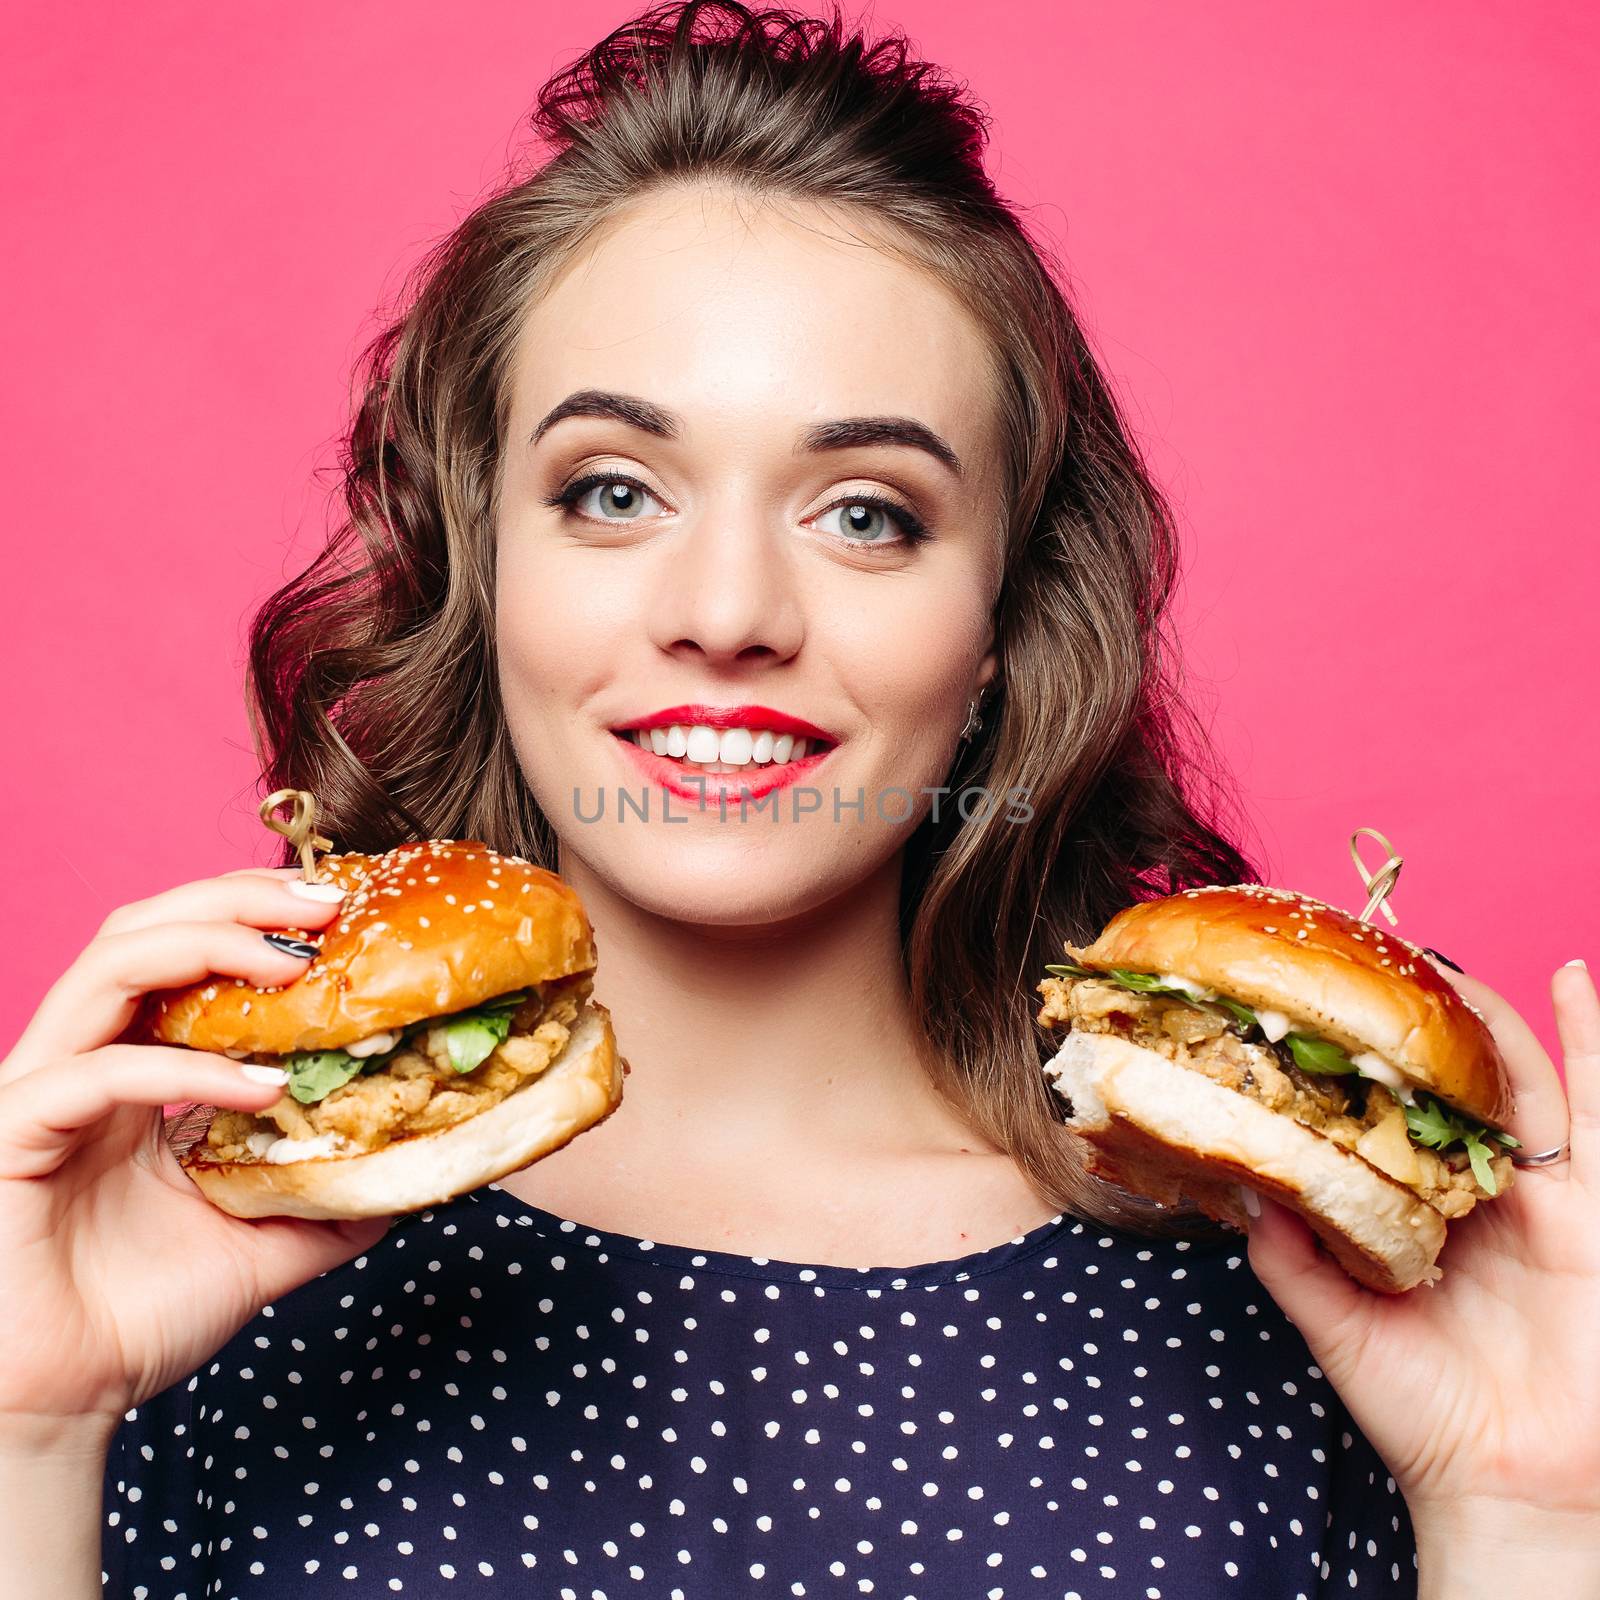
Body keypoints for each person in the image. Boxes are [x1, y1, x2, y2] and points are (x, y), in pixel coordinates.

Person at [2, 3, 1595, 1596]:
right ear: (488, 572)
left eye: (866, 513)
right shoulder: (183, 1267)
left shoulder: (1307, 1293)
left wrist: (1532, 1518)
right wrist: (25, 1436)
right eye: (613, 491)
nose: (728, 609)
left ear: (997, 632)